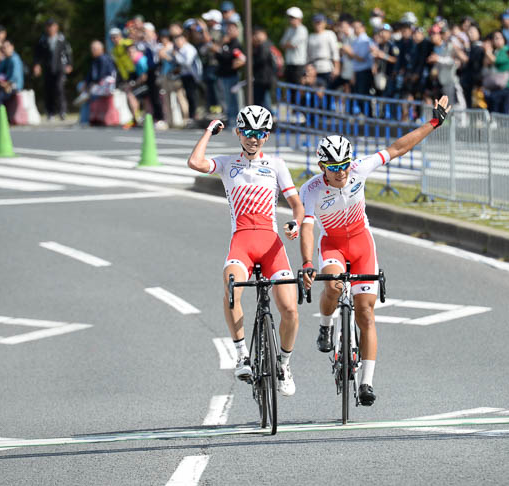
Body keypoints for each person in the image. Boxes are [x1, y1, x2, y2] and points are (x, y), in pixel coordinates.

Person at [299, 97, 450, 406]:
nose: (341, 172)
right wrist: (305, 262)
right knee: (332, 282)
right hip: (333, 244)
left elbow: (397, 148)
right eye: (333, 167)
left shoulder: (359, 169)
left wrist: (433, 122)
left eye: (344, 165)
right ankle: (326, 327)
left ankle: (366, 382)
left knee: (365, 312)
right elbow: (307, 227)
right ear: (322, 167)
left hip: (361, 240)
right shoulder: (311, 189)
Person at [187, 106, 304, 396]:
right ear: (239, 133)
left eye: (260, 133)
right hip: (242, 241)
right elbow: (195, 162)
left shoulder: (276, 165)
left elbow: (297, 205)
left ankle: (284, 365)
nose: (254, 139)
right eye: (248, 133)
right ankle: (242, 355)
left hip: (271, 243)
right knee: (230, 290)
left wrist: (295, 223)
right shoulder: (228, 163)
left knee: (290, 308)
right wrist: (208, 133)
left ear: (266, 135)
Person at [34, 19, 73, 121]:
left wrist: (69, 64)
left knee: (59, 88)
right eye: (49, 26)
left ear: (56, 27)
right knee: (48, 90)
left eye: (53, 26)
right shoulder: (43, 40)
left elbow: (68, 52)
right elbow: (38, 54)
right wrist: (37, 65)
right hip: (47, 68)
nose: (51, 28)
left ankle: (62, 111)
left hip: (60, 67)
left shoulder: (61, 39)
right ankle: (50, 112)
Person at [215, 19, 244, 126]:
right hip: (223, 74)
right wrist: (221, 44)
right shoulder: (224, 42)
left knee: (234, 100)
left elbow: (228, 57)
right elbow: (217, 56)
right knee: (226, 100)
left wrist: (221, 52)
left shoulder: (236, 44)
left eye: (232, 29)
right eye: (228, 29)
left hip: (232, 75)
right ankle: (230, 119)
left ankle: (235, 121)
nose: (229, 32)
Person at [484, 30, 509, 114]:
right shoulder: (495, 51)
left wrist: (487, 51)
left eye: (499, 38)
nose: (497, 41)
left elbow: (496, 61)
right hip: (497, 86)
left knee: (505, 110)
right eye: (495, 39)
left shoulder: (507, 50)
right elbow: (486, 63)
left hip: (507, 85)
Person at [307, 14, 339, 87]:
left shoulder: (330, 34)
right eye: (316, 22)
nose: (318, 24)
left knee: (327, 91)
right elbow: (308, 54)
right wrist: (308, 66)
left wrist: (336, 68)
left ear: (324, 23)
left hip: (327, 67)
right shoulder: (311, 36)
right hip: (313, 69)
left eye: (320, 22)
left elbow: (335, 52)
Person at [280, 6, 308, 87]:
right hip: (289, 64)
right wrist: (288, 44)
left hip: (299, 65)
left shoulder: (302, 29)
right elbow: (282, 44)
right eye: (290, 17)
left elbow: (292, 44)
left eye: (293, 17)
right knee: (290, 87)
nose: (291, 19)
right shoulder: (289, 29)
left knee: (298, 88)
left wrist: (288, 44)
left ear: (299, 19)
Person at [251, 26, 276, 110]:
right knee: (263, 101)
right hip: (264, 78)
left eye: (257, 34)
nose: (255, 37)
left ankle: (269, 118)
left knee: (264, 102)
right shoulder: (266, 45)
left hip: (263, 79)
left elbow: (260, 60)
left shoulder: (264, 46)